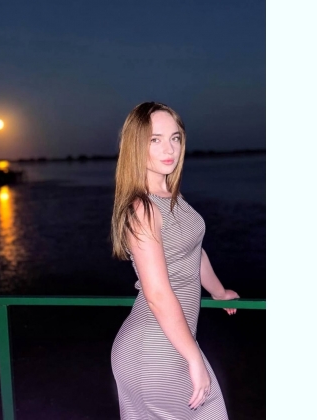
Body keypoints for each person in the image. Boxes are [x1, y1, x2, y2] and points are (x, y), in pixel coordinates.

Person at [110, 102, 239, 419]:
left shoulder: (171, 197)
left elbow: (194, 251)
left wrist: (219, 292)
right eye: (155, 139)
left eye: (175, 138)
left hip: (174, 342)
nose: (169, 149)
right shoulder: (142, 208)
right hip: (155, 350)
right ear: (136, 145)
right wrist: (194, 358)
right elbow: (156, 293)